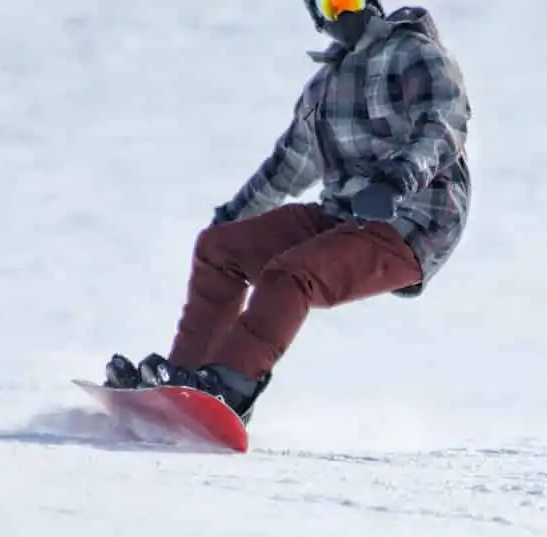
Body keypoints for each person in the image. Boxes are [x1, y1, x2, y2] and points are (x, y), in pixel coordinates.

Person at [102, 0, 472, 425]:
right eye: (330, 7)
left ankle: (232, 388)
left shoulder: (413, 53)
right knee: (220, 249)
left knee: (292, 273)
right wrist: (233, 217)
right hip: (343, 216)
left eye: (348, 1)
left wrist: (398, 179)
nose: (341, 14)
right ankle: (181, 382)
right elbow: (288, 166)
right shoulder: (324, 88)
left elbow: (443, 124)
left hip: (414, 220)